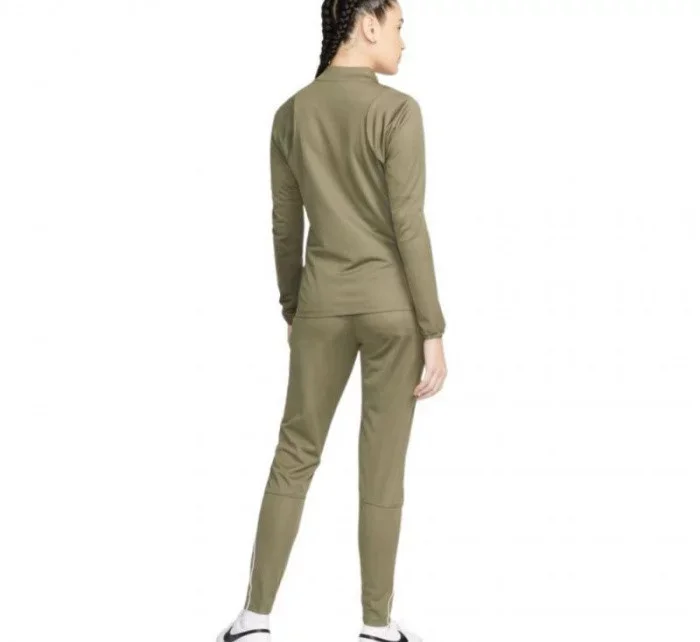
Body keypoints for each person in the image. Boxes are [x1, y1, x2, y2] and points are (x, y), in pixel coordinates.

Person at [216, 2, 446, 641]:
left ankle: (253, 619)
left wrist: (294, 306)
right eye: (398, 25)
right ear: (367, 24)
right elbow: (408, 225)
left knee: (295, 453)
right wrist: (433, 328)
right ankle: (377, 624)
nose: (404, 40)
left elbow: (284, 223)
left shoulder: (290, 114)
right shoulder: (398, 112)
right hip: (394, 310)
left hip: (320, 304)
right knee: (382, 466)